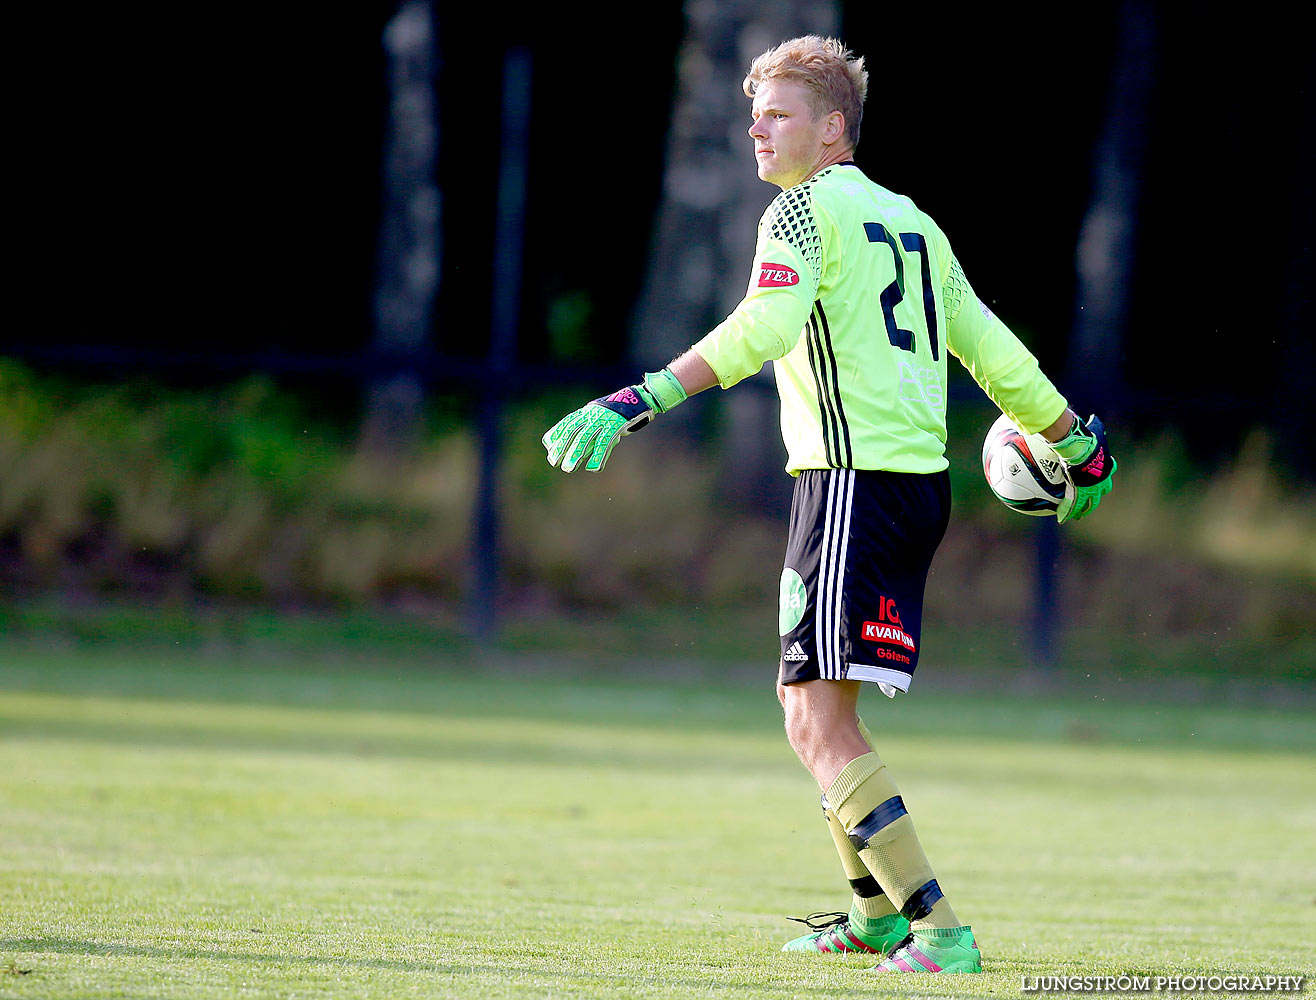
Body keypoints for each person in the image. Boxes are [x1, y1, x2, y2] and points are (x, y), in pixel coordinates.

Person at [541, 35, 1116, 975]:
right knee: (807, 708)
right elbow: (993, 350)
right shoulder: (915, 224)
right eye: (753, 114)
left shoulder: (804, 216)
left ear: (833, 129)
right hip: (906, 491)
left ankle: (939, 932)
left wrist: (641, 395)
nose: (758, 131)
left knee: (816, 720)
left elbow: (761, 328)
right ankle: (873, 917)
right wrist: (1077, 444)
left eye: (779, 114)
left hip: (852, 490)